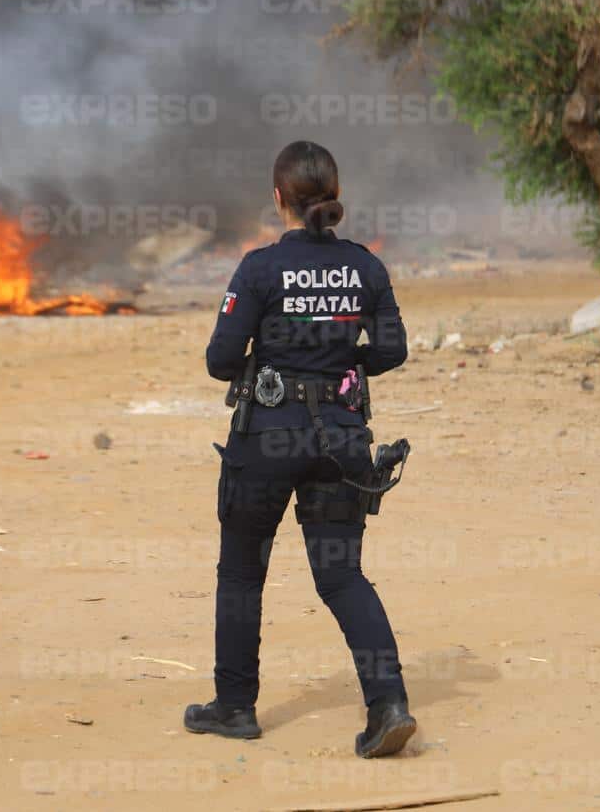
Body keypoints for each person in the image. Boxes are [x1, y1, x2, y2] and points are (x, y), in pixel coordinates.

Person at [183, 140, 415, 758]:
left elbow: (219, 361)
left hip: (268, 436)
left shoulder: (259, 269)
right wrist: (343, 366)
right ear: (335, 196)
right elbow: (392, 351)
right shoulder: (366, 267)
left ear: (278, 197)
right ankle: (388, 704)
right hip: (341, 439)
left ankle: (233, 707)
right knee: (342, 576)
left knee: (241, 573)